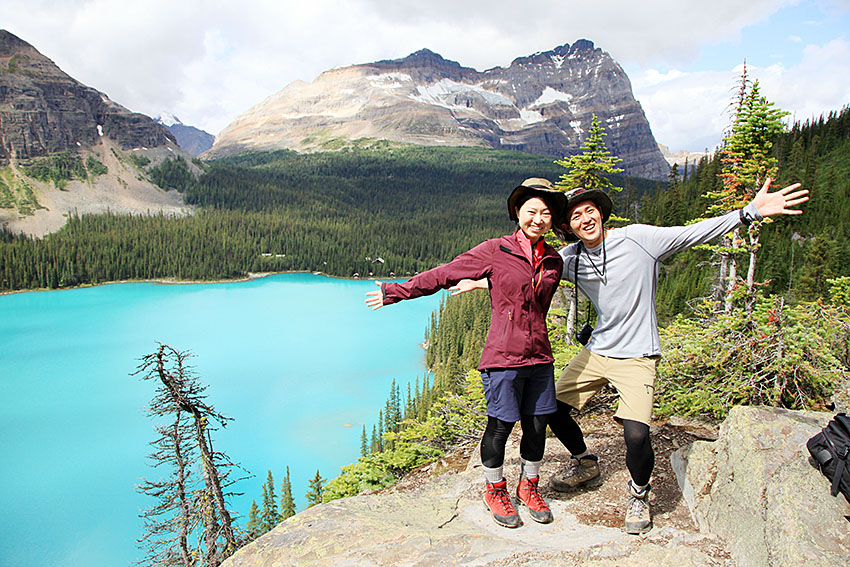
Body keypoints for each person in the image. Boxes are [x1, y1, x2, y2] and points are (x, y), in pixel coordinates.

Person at [455, 177, 808, 534]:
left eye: (589, 210)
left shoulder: (640, 239)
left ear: (601, 213)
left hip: (638, 354)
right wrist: (481, 280)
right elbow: (528, 267)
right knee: (551, 408)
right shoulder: (571, 257)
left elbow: (693, 233)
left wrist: (747, 213)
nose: (584, 219)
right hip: (597, 351)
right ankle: (585, 462)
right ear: (569, 226)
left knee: (637, 435)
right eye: (575, 216)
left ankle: (639, 493)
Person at [365, 178, 568, 528]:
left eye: (546, 213)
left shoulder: (552, 259)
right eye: (532, 210)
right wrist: (396, 291)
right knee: (501, 425)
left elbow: (532, 301)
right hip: (503, 357)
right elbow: (446, 274)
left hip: (540, 358)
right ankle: (495, 489)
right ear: (517, 212)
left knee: (537, 427)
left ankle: (529, 486)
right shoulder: (496, 249)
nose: (538, 218)